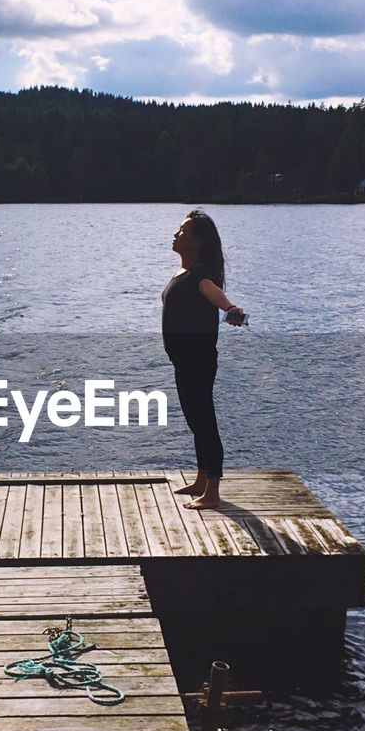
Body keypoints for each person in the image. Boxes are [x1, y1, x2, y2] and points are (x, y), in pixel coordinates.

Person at [161, 209, 245, 510]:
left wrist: (232, 310)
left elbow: (216, 295)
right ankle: (200, 479)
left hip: (197, 361)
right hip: (182, 361)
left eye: (183, 230)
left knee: (205, 421)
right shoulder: (181, 273)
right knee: (195, 421)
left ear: (197, 241)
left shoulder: (200, 277)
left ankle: (212, 491)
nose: (176, 234)